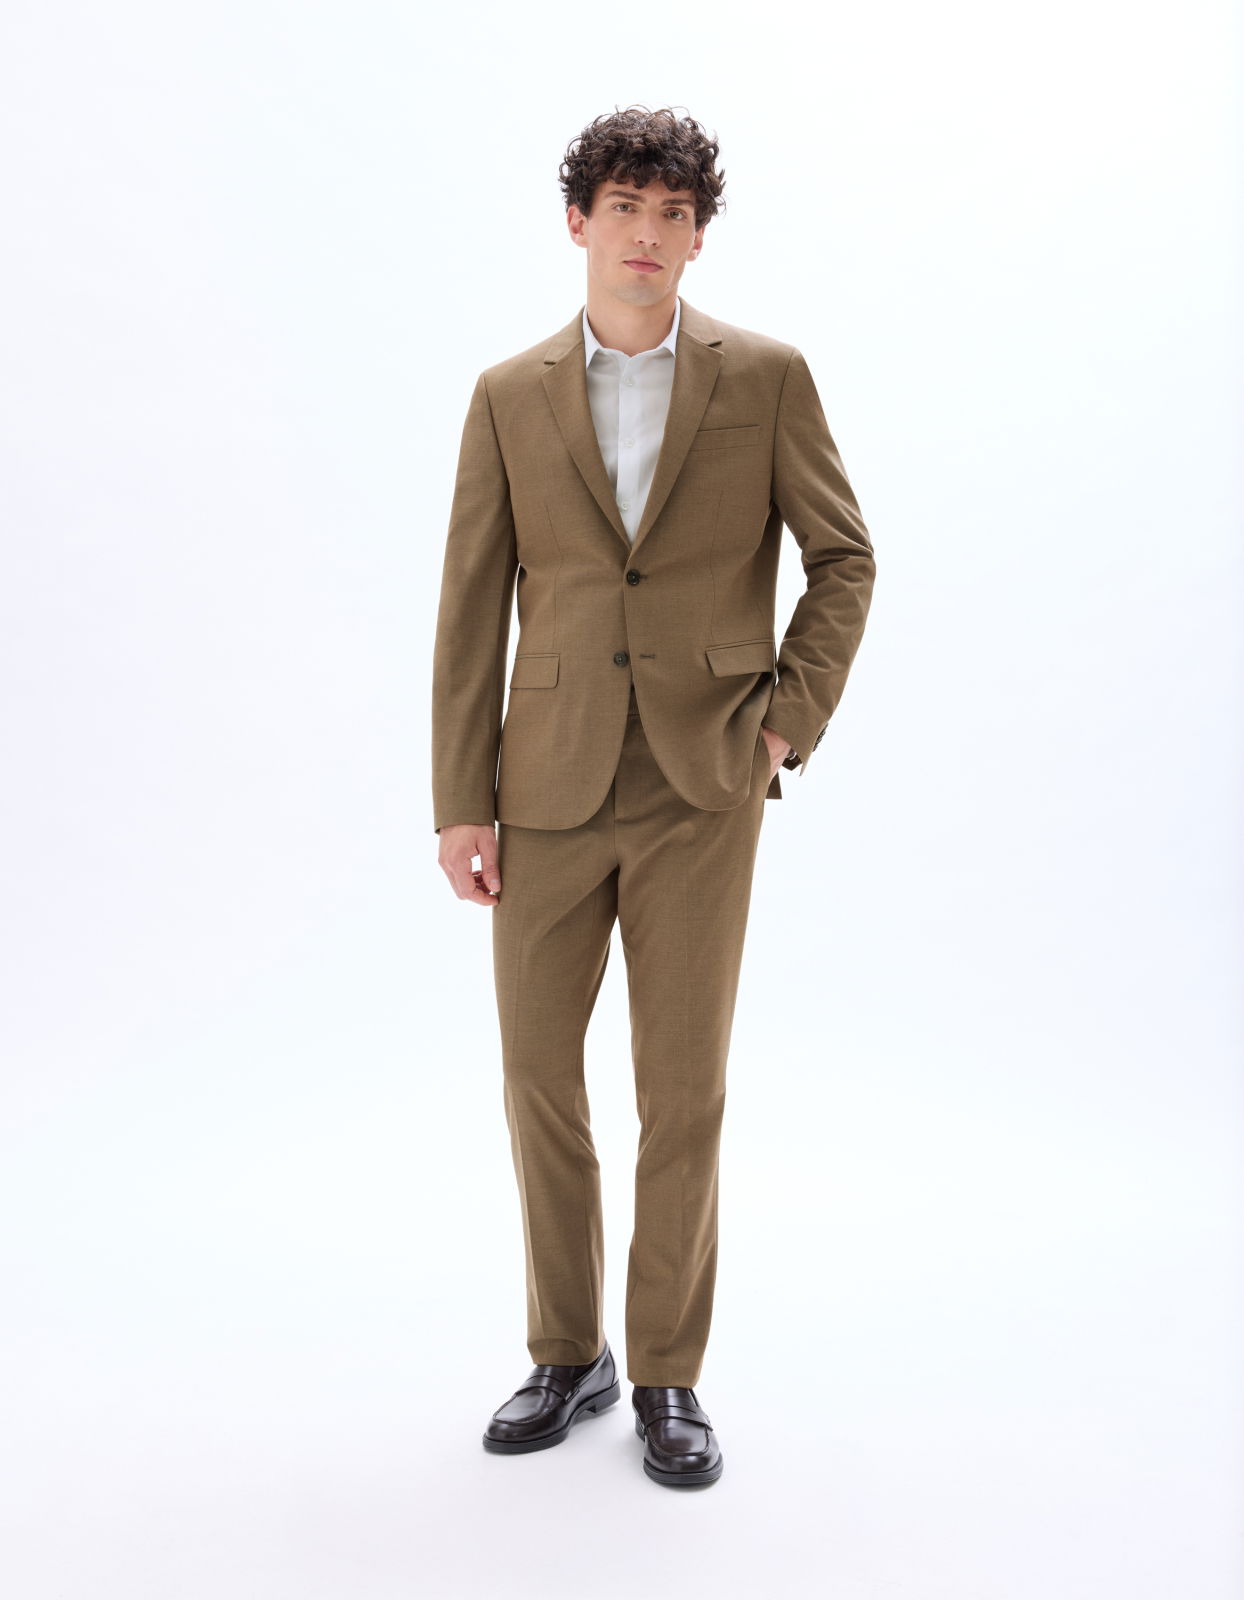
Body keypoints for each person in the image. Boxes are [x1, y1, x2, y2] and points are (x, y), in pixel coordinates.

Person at [431, 104, 876, 1488]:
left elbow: (844, 559)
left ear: (697, 238)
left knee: (681, 1093)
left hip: (703, 783)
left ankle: (670, 1373)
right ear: (579, 222)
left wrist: (785, 724)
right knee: (536, 1079)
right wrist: (460, 798)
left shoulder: (768, 378)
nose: (648, 234)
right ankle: (569, 1354)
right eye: (624, 207)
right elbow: (471, 606)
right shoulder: (507, 394)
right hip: (544, 786)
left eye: (674, 215)